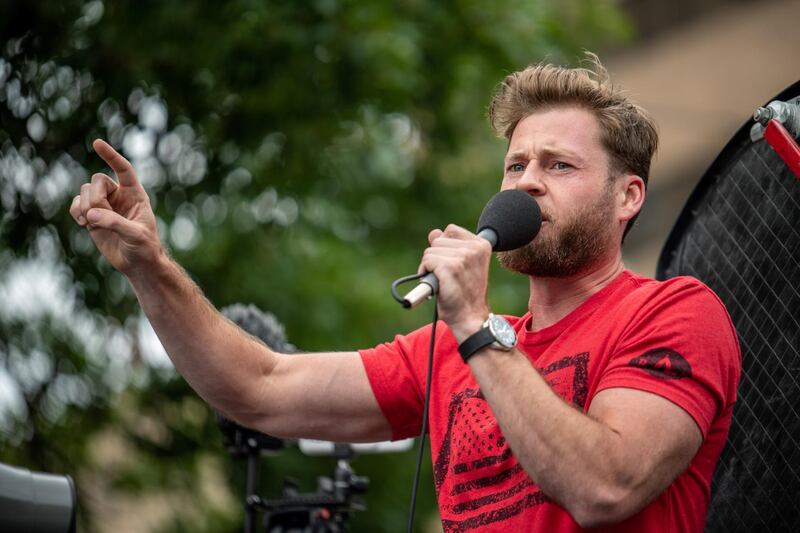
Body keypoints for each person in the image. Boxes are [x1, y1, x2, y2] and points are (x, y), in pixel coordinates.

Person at [69, 54, 740, 532]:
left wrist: (476, 324)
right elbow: (259, 386)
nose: (526, 182)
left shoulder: (674, 312)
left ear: (628, 197)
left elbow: (607, 486)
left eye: (559, 165)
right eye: (515, 164)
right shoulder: (450, 349)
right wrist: (150, 268)